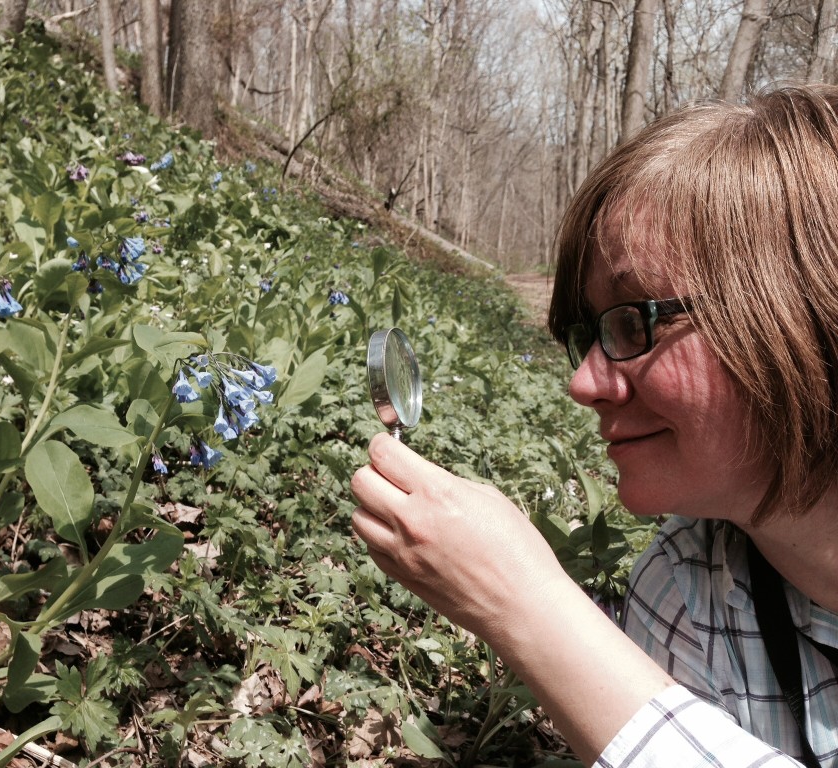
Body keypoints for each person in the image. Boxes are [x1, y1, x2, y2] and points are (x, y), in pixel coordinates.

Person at [351, 82, 838, 768]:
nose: (583, 383)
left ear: (803, 311)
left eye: (635, 319)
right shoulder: (683, 593)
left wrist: (530, 608)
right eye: (587, 334)